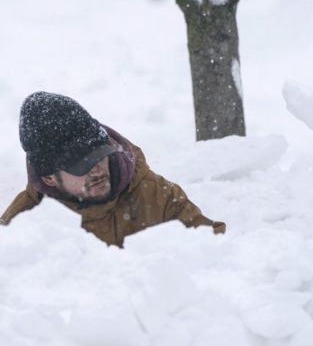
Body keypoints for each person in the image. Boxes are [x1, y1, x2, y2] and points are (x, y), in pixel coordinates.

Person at [1, 92, 225, 247]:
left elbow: (218, 251)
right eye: (82, 166)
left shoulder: (156, 196)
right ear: (50, 178)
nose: (97, 170)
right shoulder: (21, 226)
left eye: (99, 155)